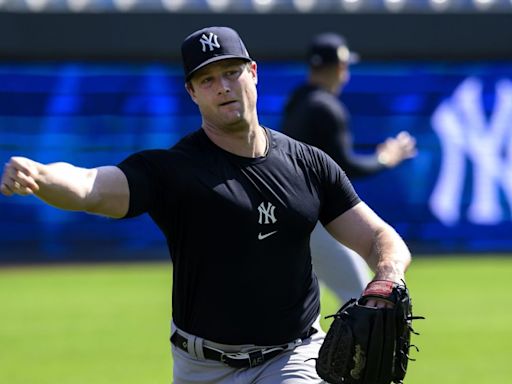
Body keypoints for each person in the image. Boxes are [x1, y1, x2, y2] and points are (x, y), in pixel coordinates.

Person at [1, 26, 412, 384]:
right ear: (192, 92)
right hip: (202, 367)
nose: (223, 86)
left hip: (293, 356)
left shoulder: (308, 163)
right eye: (208, 79)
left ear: (253, 73)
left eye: (231, 72)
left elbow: (378, 235)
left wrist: (388, 275)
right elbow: (92, 186)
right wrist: (41, 177)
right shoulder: (173, 171)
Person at [282, 32, 417, 304]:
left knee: (300, 305)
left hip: (289, 214)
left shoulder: (298, 100)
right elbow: (346, 167)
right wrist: (385, 159)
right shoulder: (326, 107)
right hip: (316, 220)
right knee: (364, 298)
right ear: (339, 67)